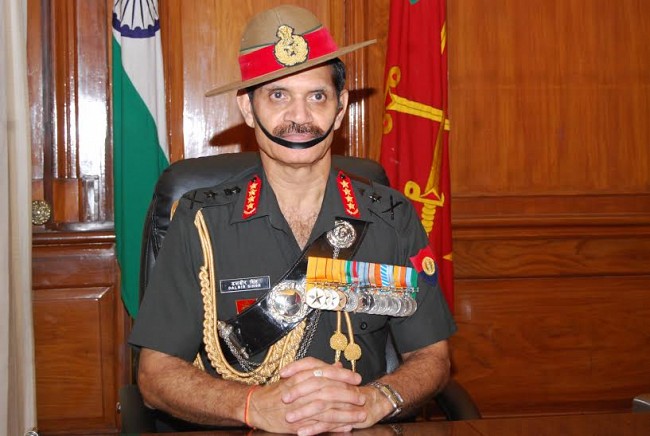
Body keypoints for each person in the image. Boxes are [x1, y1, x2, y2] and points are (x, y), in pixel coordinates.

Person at [129, 4, 456, 435]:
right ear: (248, 109)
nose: (299, 118)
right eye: (278, 95)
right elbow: (154, 375)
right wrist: (252, 406)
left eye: (317, 96)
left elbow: (433, 357)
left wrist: (375, 400)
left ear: (340, 109)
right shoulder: (200, 221)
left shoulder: (392, 217)